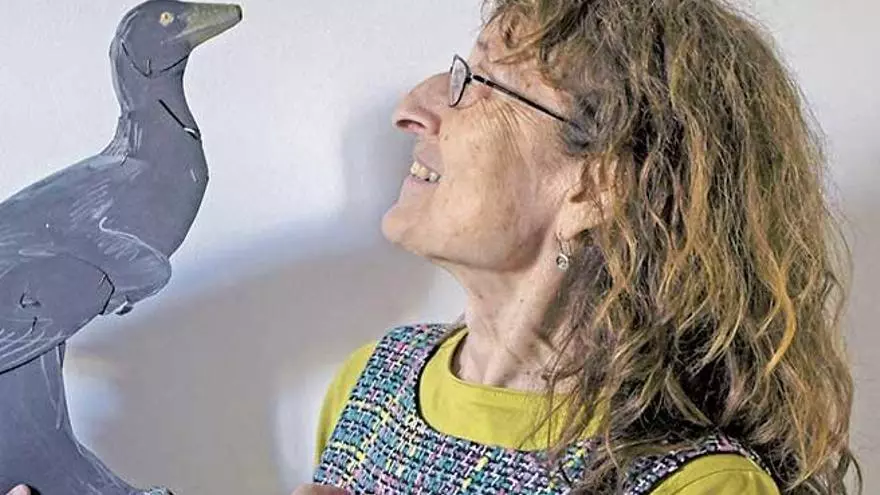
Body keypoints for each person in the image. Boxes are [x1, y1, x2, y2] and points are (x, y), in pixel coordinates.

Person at [6, 0, 862, 494]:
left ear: (595, 186)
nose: (413, 106)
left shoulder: (697, 486)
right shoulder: (373, 382)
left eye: (477, 81)